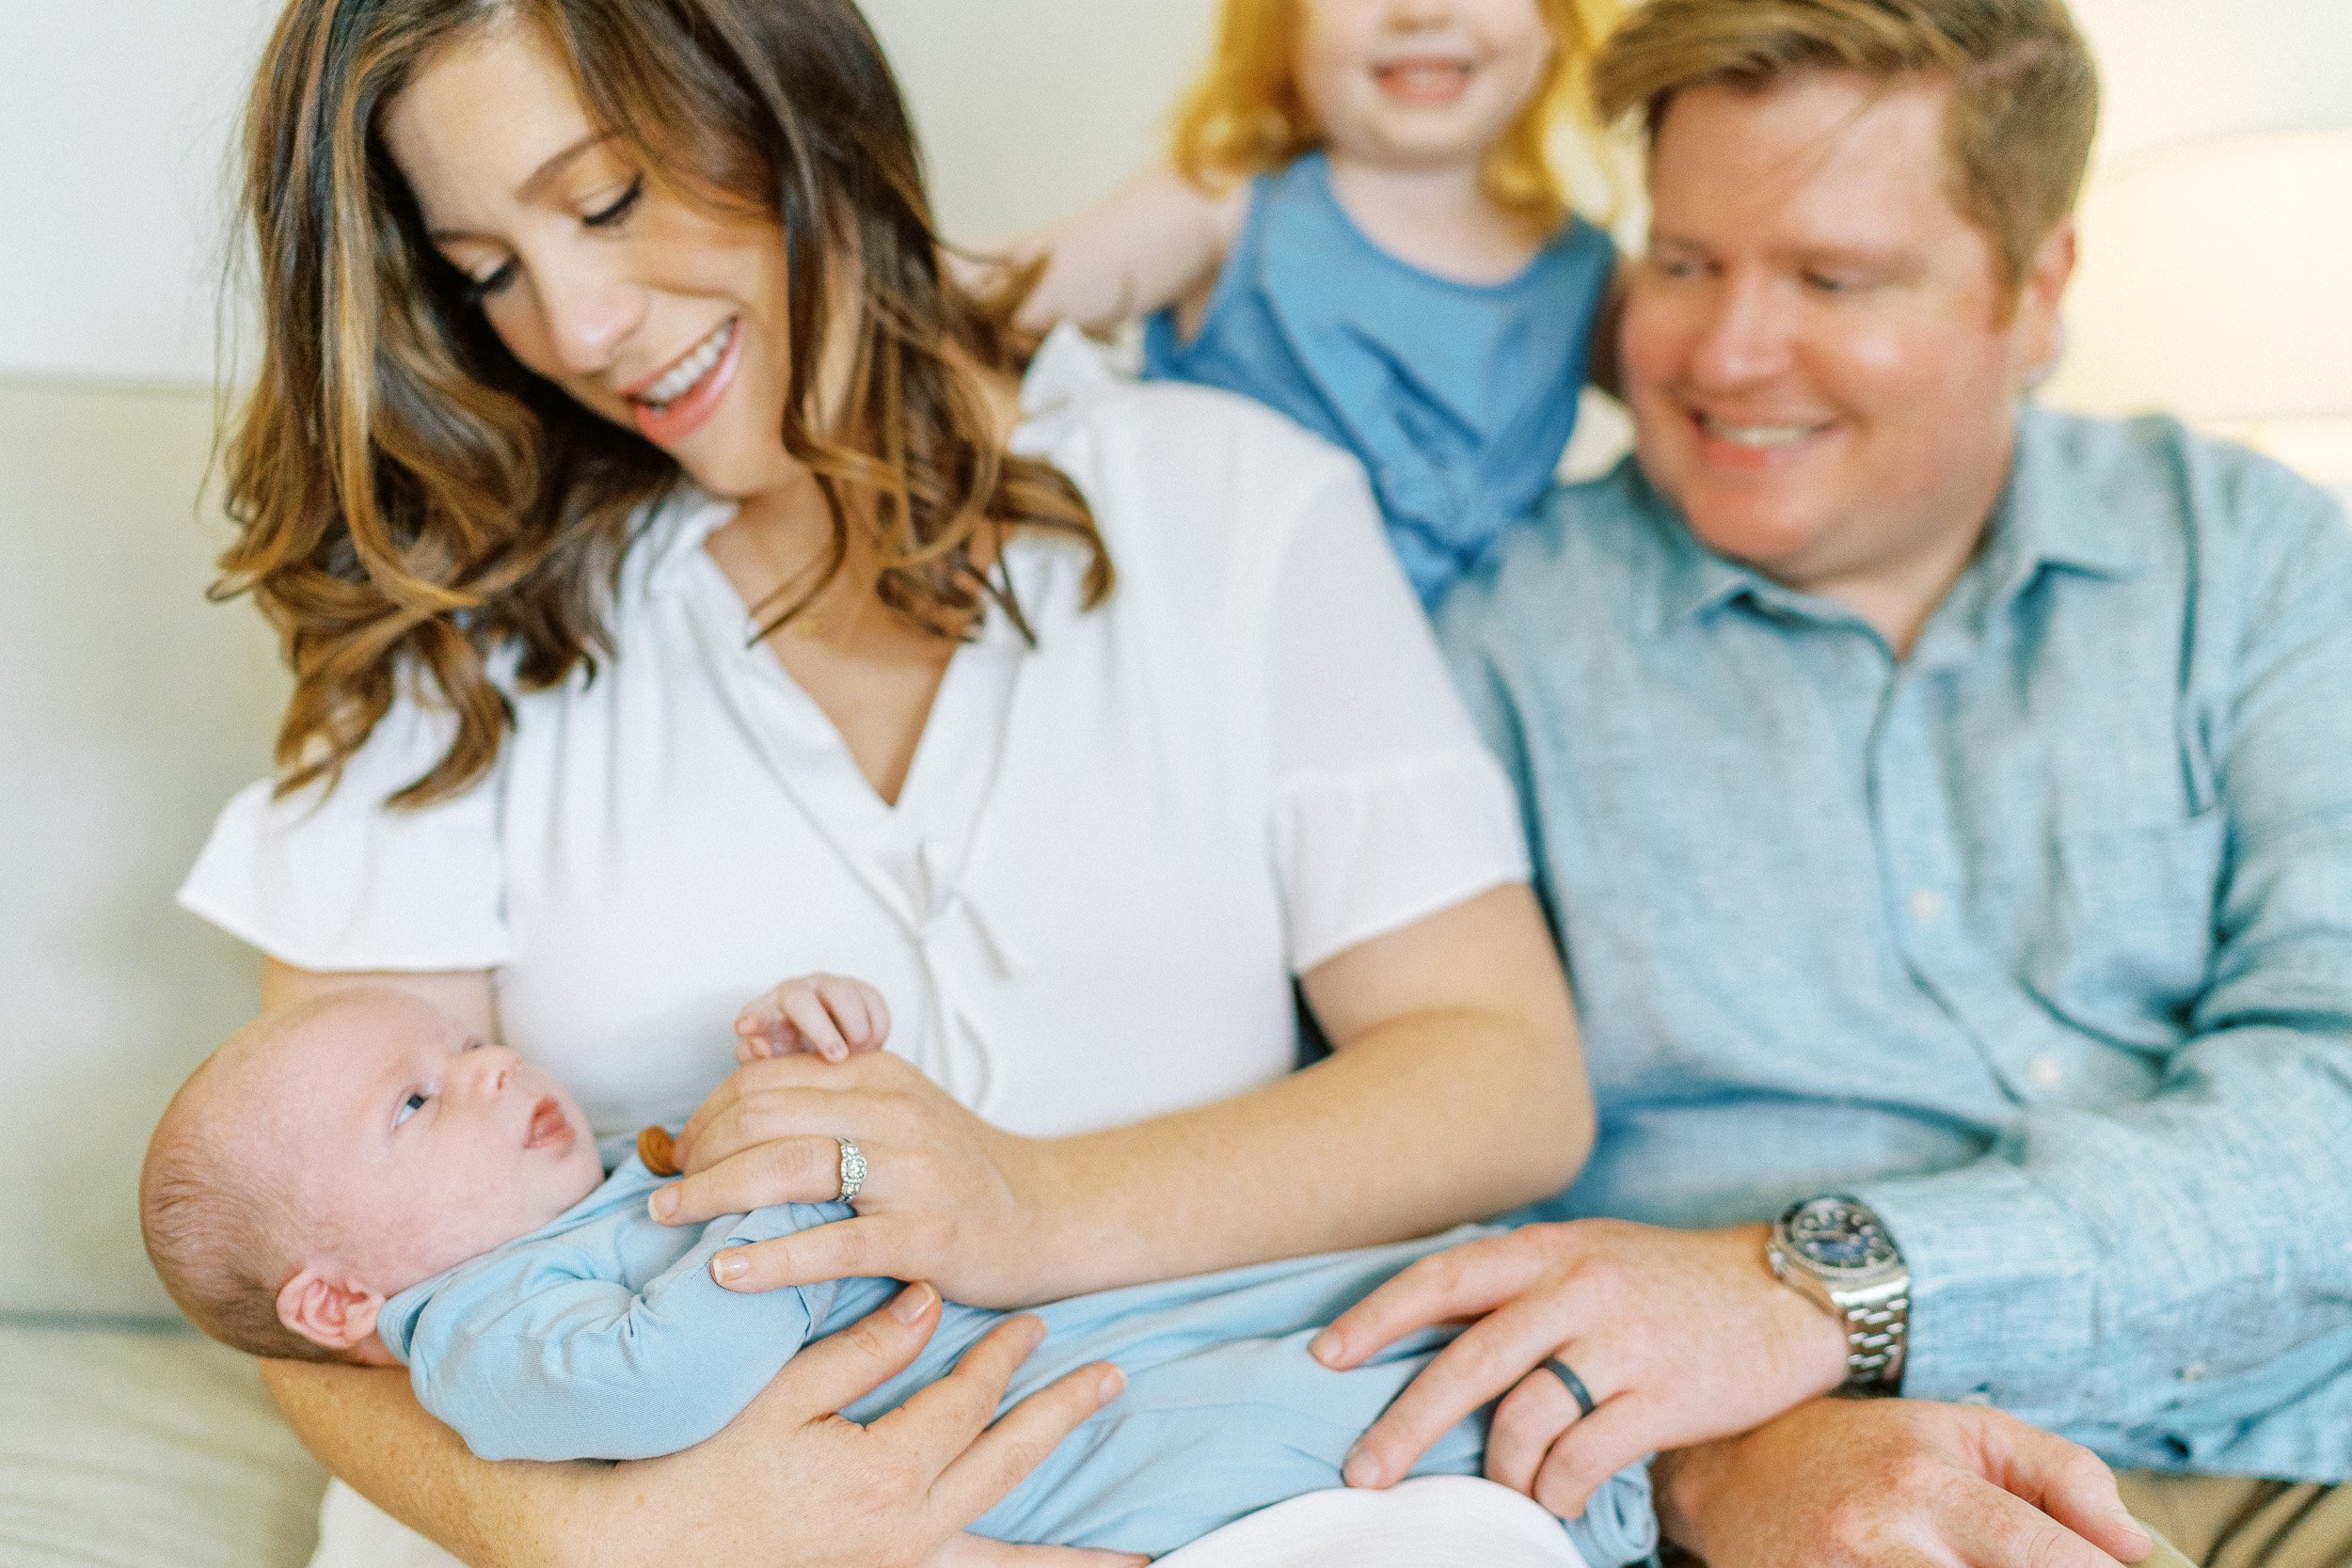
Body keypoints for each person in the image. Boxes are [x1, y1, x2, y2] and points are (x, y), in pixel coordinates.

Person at [180, 0, 1597, 1563]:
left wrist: (1034, 1203)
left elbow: (1502, 1076)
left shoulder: (1235, 504)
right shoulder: (446, 642)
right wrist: (609, 1540)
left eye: (608, 200)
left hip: (1162, 1483)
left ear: (793, 98)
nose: (577, 327)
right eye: (488, 271)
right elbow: (313, 1293)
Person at [1303, 1, 2352, 1564]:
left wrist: (1823, 1288)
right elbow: (1384, 1199)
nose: (1722, 354)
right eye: (1682, 261)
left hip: (2302, 1432)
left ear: (2037, 288)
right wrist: (1714, 1466)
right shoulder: (1478, 641)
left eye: (1832, 279)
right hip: (1803, 1510)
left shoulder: (2257, 556)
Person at [140, 984, 1658, 1564]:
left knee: (1286, 1349)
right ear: (342, 1303)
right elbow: (655, 1379)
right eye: (415, 1106)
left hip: (998, 1351)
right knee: (1229, 1449)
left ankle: (1536, 1460)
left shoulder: (594, 1186)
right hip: (951, 1480)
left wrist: (797, 1083)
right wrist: (805, 1236)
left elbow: (727, 1190)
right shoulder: (469, 1328)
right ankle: (1523, 1501)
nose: (483, 1073)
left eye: (459, 1047)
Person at [993, 0, 1621, 608]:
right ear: (1278, 17)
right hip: (1212, 664)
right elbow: (964, 301)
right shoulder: (1220, 210)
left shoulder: (1588, 273)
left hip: (1441, 704)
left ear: (1555, 16)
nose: (1421, 11)